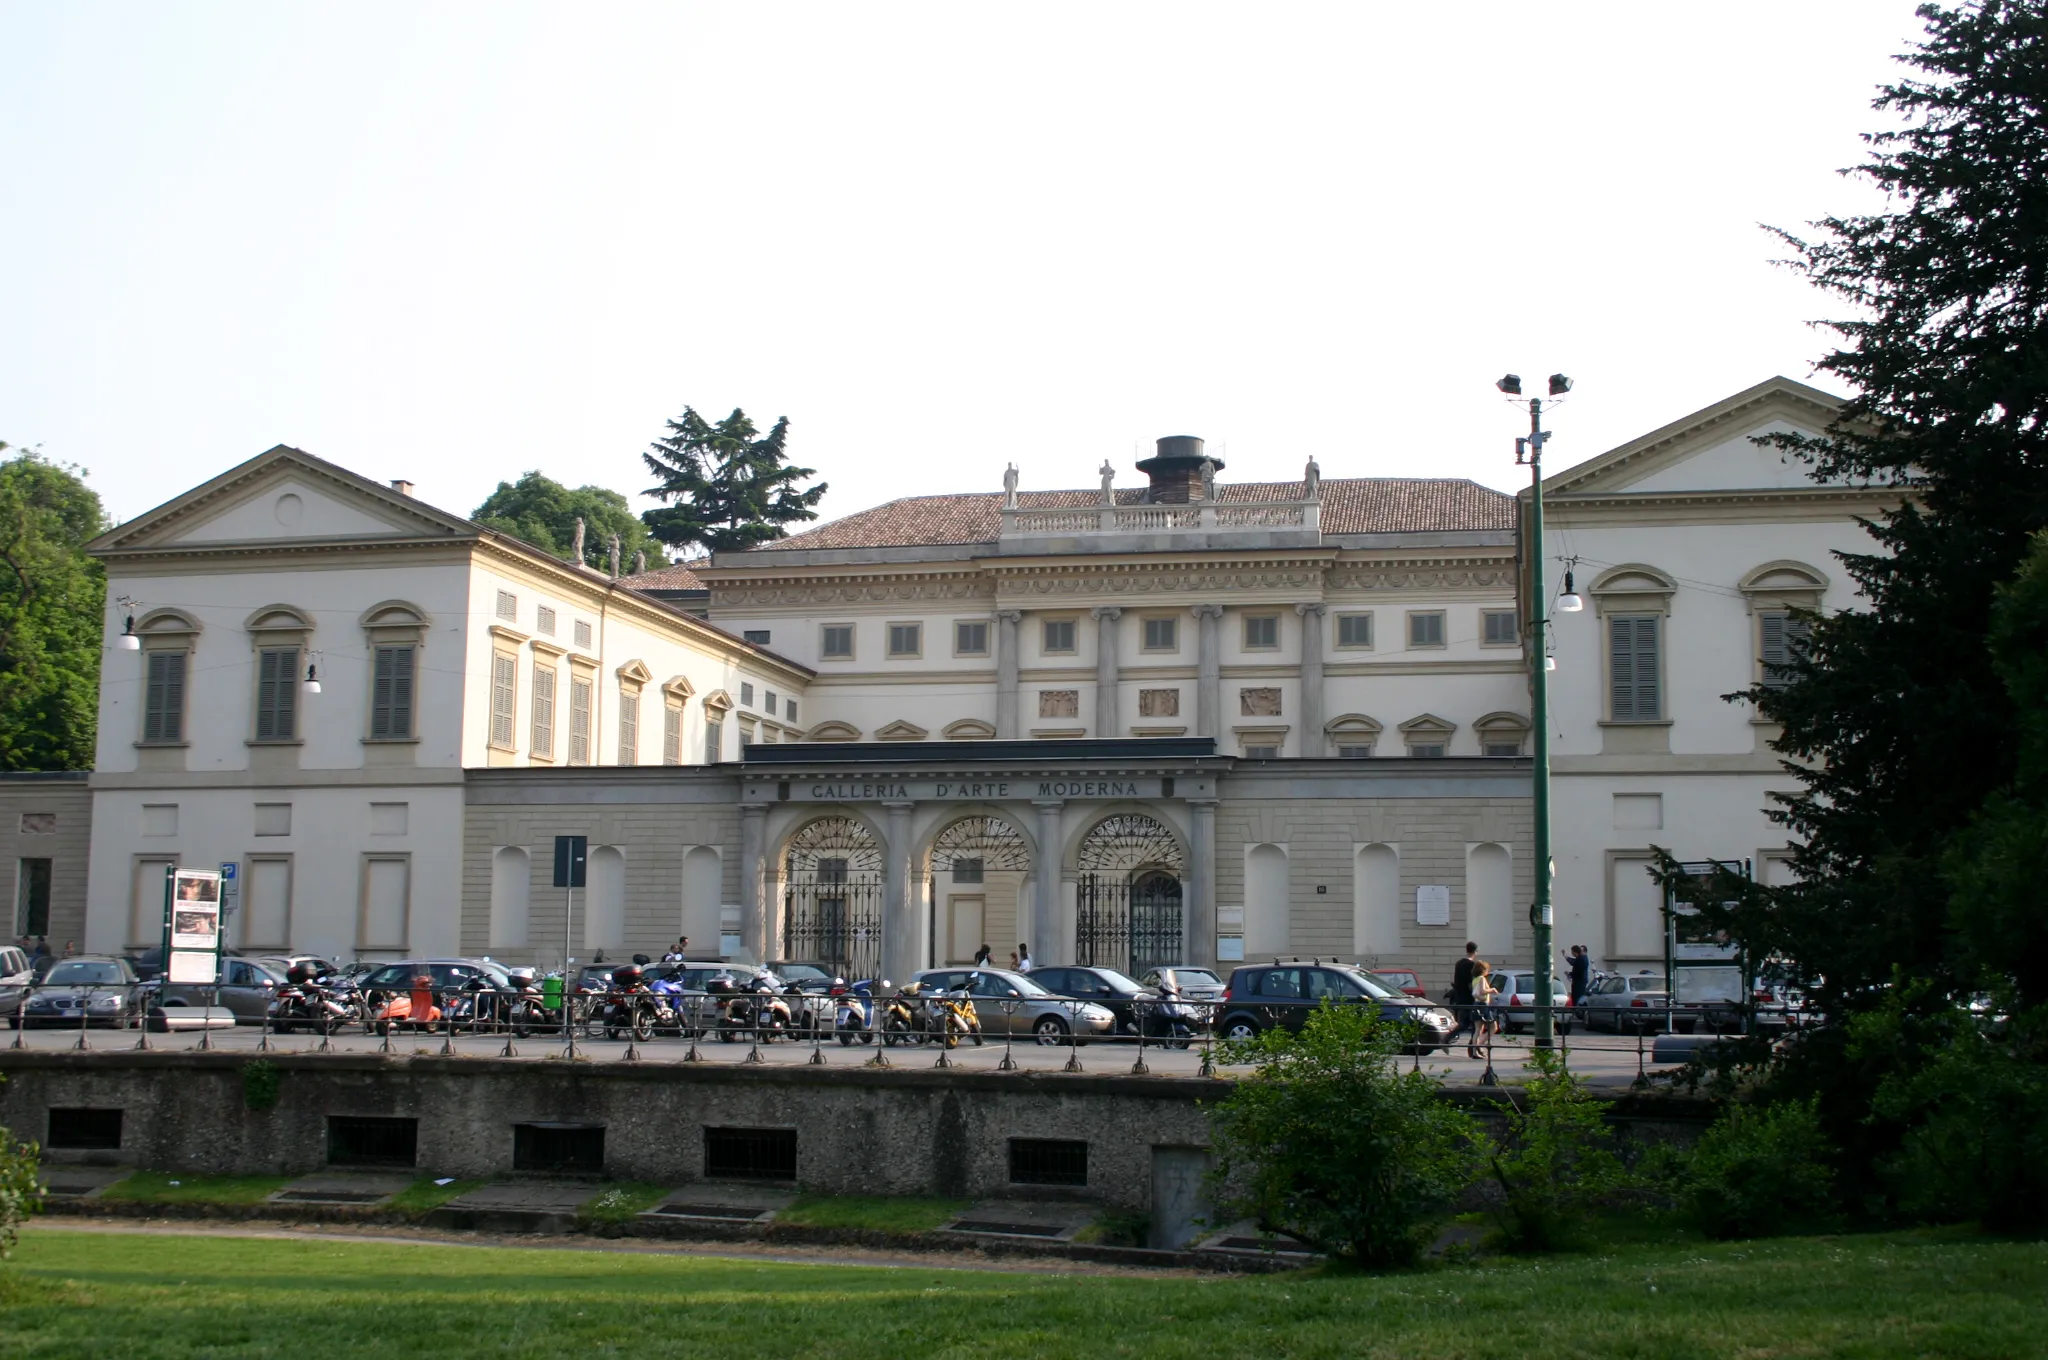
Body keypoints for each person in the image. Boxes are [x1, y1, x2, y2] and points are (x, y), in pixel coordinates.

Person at [1468, 960, 1500, 1060]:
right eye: (1486, 969)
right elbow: (1482, 991)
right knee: (1493, 1027)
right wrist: (1492, 989)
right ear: (1483, 970)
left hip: (1476, 1004)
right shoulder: (1482, 978)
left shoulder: (1475, 979)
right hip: (1482, 1005)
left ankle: (1474, 1050)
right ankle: (1480, 1044)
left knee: (1478, 1029)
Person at [1449, 941, 1478, 1041]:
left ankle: (1448, 1038)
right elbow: (1471, 982)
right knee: (1473, 1024)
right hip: (1469, 998)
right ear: (1475, 951)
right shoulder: (1471, 964)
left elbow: (1457, 981)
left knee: (1465, 1022)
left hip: (1460, 996)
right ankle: (1472, 1047)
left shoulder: (1459, 963)